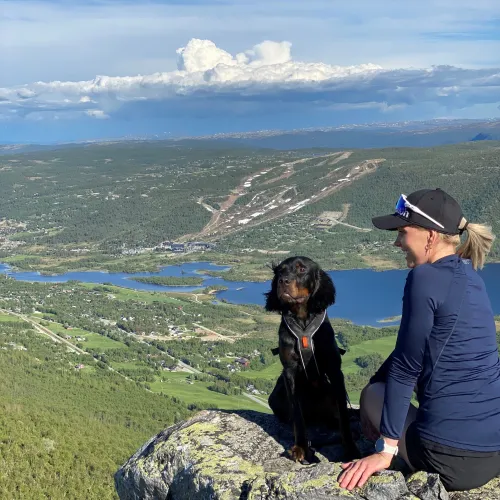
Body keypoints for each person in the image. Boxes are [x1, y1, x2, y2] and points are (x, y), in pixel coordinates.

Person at [339, 188, 500, 492]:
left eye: (402, 232)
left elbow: (404, 366)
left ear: (430, 235)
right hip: (493, 454)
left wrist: (384, 450)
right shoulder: (472, 277)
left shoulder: (424, 278)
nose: (397, 242)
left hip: (448, 460)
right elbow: (414, 350)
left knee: (373, 395)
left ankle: (392, 449)